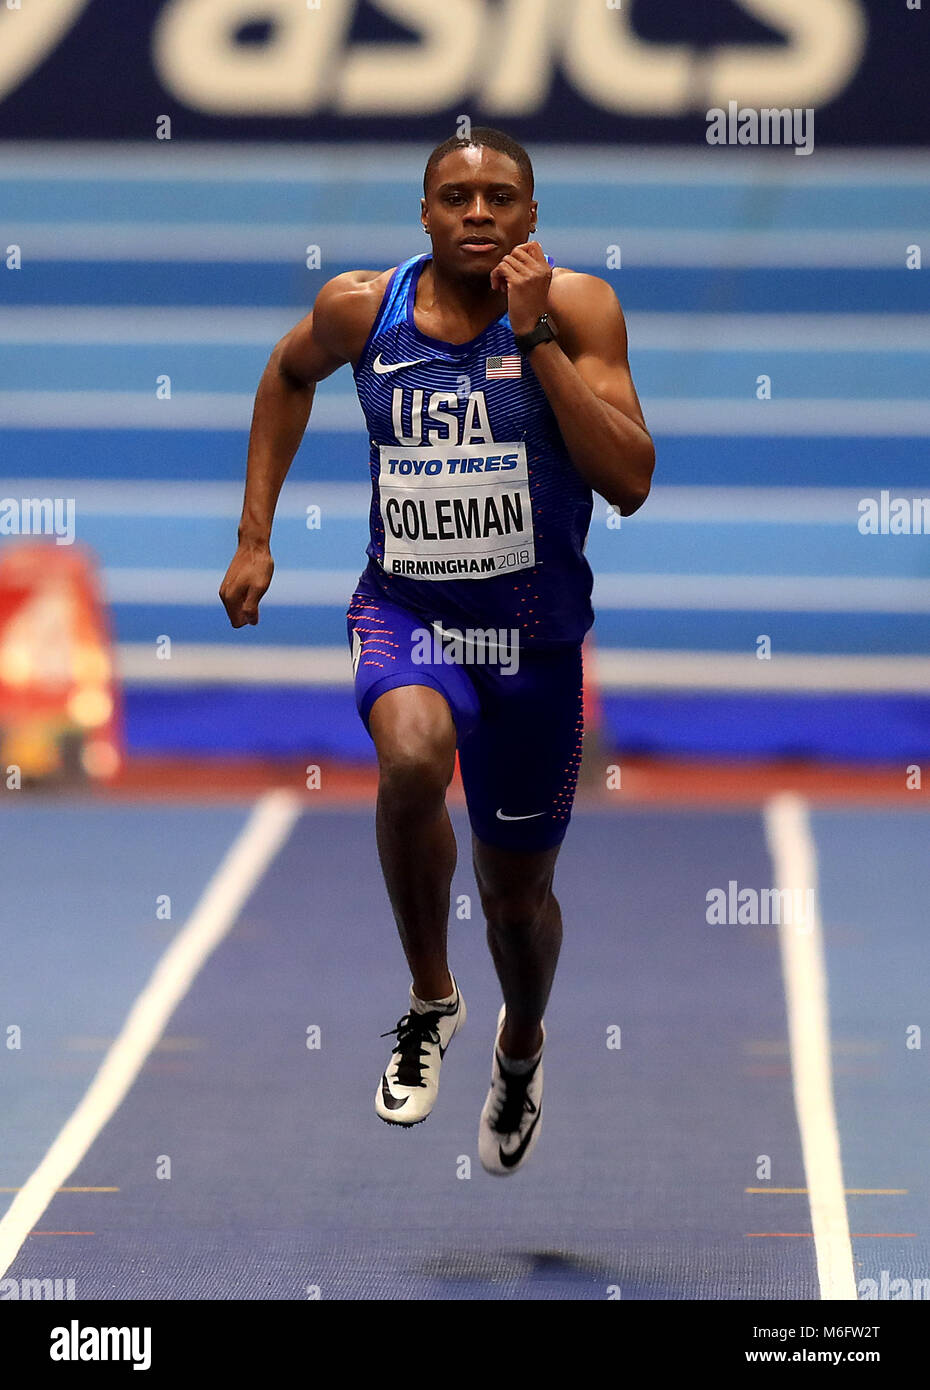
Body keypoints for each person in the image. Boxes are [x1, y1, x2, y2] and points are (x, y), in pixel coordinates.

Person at [220, 128, 654, 1175]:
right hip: (407, 613)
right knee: (411, 757)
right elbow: (286, 375)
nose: (476, 211)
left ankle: (520, 1043)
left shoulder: (582, 308)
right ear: (424, 214)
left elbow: (630, 478)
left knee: (518, 907)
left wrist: (536, 337)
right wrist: (254, 534)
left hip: (536, 644)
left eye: (500, 196)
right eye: (454, 195)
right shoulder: (361, 310)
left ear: (531, 218)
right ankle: (430, 997)